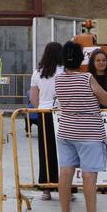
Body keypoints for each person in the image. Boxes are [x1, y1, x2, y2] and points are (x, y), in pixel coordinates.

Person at [55, 41, 107, 212]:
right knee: (89, 176)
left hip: (66, 130)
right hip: (90, 132)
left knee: (65, 173)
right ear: (81, 59)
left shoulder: (59, 80)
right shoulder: (87, 78)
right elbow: (106, 100)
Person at [28, 41, 64, 200]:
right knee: (65, 152)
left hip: (44, 113)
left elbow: (33, 98)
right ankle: (67, 188)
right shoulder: (64, 71)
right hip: (62, 114)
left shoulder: (37, 73)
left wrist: (41, 107)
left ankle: (46, 189)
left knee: (45, 151)